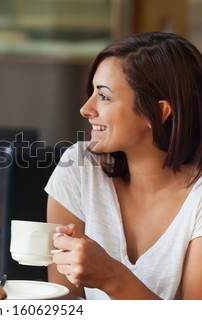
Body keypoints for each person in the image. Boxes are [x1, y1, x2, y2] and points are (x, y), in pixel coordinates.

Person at [45, 32, 202, 299]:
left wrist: (111, 276)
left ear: (158, 112)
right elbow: (64, 302)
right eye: (92, 92)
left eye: (104, 96)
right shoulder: (79, 167)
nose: (86, 108)